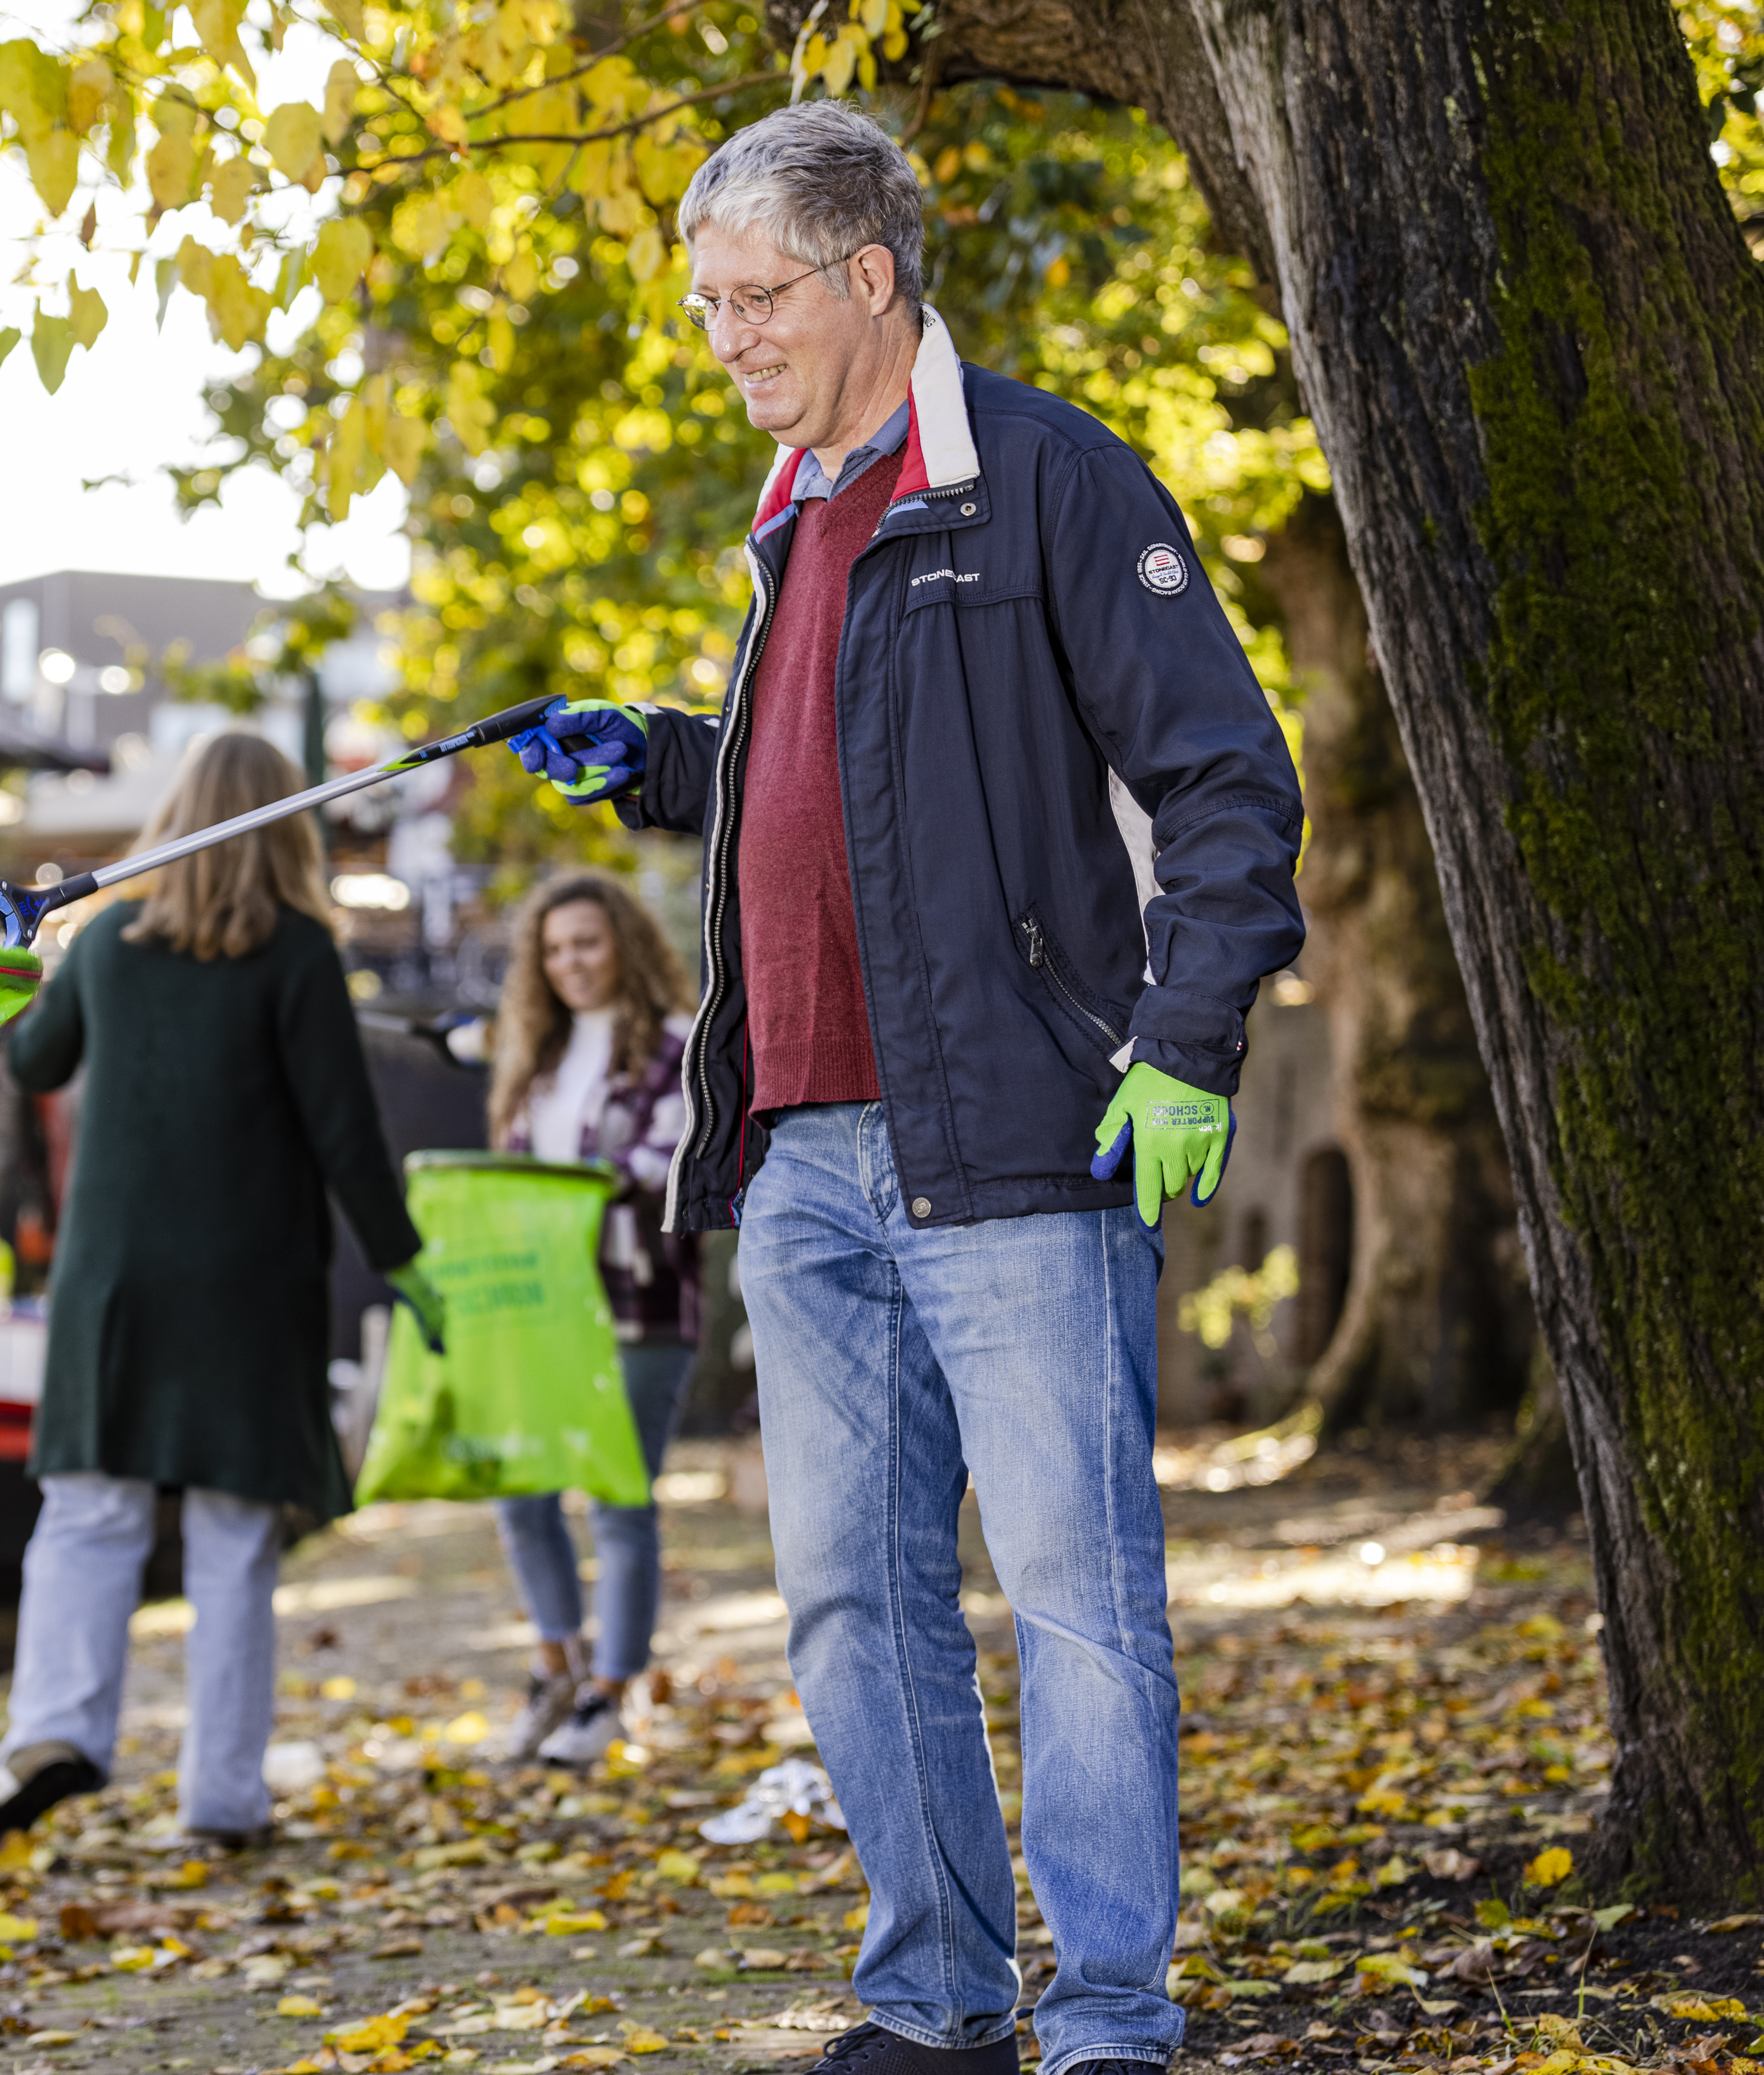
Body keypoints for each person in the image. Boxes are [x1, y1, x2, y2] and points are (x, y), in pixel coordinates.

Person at [509, 102, 1303, 2075]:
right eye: (707, 305)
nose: (725, 337)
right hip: (802, 1154)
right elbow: (841, 804)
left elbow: (1228, 781)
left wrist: (1186, 1042)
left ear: (871, 275)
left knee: (1080, 1610)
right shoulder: (790, 514)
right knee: (854, 1616)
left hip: (1020, 1151)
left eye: (754, 296)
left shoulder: (1036, 477)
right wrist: (671, 762)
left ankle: (1112, 2014)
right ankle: (937, 2002)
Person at [0, 732, 442, 1868]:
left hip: (114, 1277)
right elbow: (346, 1140)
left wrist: (47, 949)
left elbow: (30, 1066)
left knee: (87, 1514)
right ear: (290, 824)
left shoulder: (112, 939)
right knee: (234, 1541)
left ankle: (52, 1732)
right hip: (251, 1281)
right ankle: (221, 1795)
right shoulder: (301, 953)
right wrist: (407, 1264)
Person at [479, 871, 701, 1767]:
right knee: (520, 1489)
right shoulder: (532, 1057)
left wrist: (559, 1192)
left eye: (588, 942)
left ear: (626, 946)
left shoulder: (680, 1047)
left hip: (638, 1303)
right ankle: (557, 1663)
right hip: (539, 1312)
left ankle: (613, 1692)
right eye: (556, 948)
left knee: (617, 1497)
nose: (572, 961)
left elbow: (658, 1168)